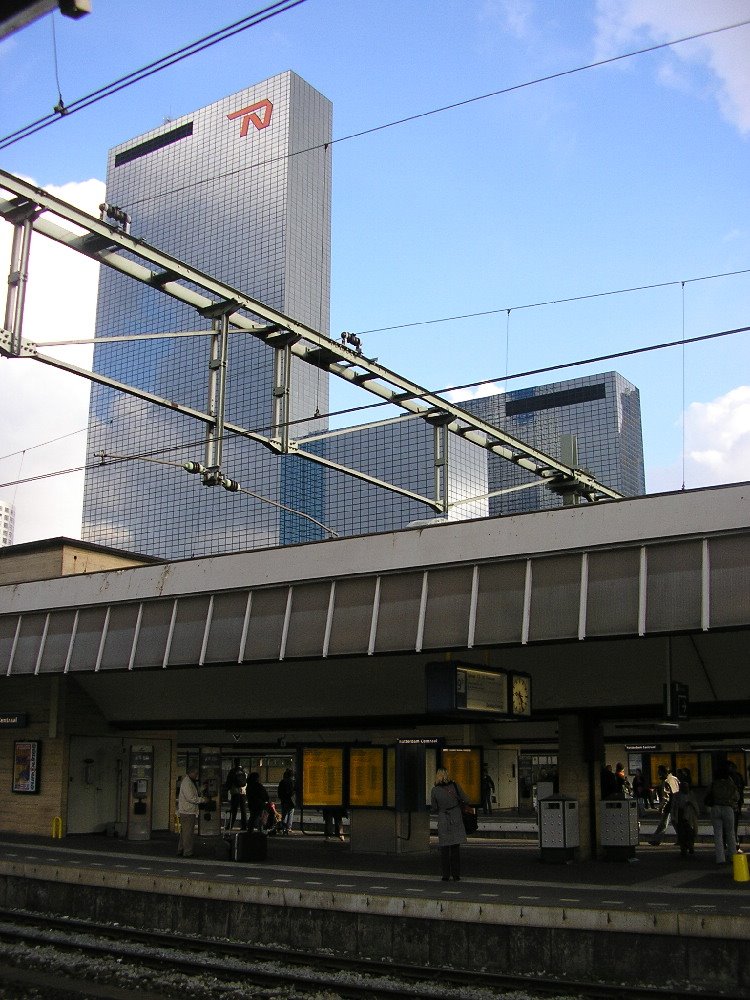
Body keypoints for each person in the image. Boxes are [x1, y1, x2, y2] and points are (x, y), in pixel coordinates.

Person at [430, 767, 469, 881]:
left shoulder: (435, 790)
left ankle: (445, 875)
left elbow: (434, 807)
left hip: (443, 819)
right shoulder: (455, 786)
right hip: (456, 816)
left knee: (445, 849)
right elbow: (466, 799)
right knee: (455, 848)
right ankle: (456, 875)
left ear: (437, 776)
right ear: (447, 775)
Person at [706, 762, 739, 864]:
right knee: (730, 833)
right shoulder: (730, 783)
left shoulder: (714, 783)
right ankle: (733, 856)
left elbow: (708, 794)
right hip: (728, 808)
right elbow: (736, 796)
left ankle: (720, 858)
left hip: (715, 808)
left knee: (718, 834)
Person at [649, 765, 680, 845]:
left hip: (669, 805)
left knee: (663, 823)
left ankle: (656, 839)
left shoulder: (666, 781)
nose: (658, 773)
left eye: (659, 772)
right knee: (675, 822)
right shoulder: (674, 778)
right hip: (677, 803)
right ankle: (681, 839)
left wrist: (661, 807)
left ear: (663, 772)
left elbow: (665, 797)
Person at [177, 766, 203, 858]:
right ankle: (187, 852)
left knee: (184, 832)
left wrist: (202, 788)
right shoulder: (187, 783)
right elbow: (191, 798)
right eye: (196, 774)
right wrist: (202, 800)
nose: (197, 776)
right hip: (188, 811)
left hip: (185, 810)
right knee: (188, 833)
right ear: (191, 773)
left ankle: (181, 849)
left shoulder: (188, 782)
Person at [672, 780, 699, 857]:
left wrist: (695, 811)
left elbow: (695, 805)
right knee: (681, 833)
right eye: (683, 787)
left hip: (690, 817)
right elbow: (674, 807)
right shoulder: (676, 796)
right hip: (680, 816)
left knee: (691, 832)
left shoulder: (691, 795)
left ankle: (690, 846)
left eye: (686, 787)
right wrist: (673, 818)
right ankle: (683, 848)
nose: (685, 789)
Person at [225, 758, 248, 831]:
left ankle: (230, 826)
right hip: (243, 793)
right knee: (243, 810)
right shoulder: (245, 771)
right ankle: (244, 826)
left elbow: (228, 782)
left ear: (234, 763)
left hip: (235, 793)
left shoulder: (233, 771)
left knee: (234, 810)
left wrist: (226, 789)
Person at [728, 760, 746, 852]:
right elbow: (739, 791)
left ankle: (730, 844)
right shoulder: (737, 777)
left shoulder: (727, 778)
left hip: (728, 805)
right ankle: (735, 844)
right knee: (733, 825)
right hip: (734, 804)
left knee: (727, 827)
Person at [277, 768, 296, 835]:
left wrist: (281, 797)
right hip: (290, 800)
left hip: (284, 800)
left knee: (285, 814)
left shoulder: (282, 781)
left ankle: (283, 828)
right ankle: (288, 828)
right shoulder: (292, 782)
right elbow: (293, 791)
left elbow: (279, 791)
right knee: (290, 813)